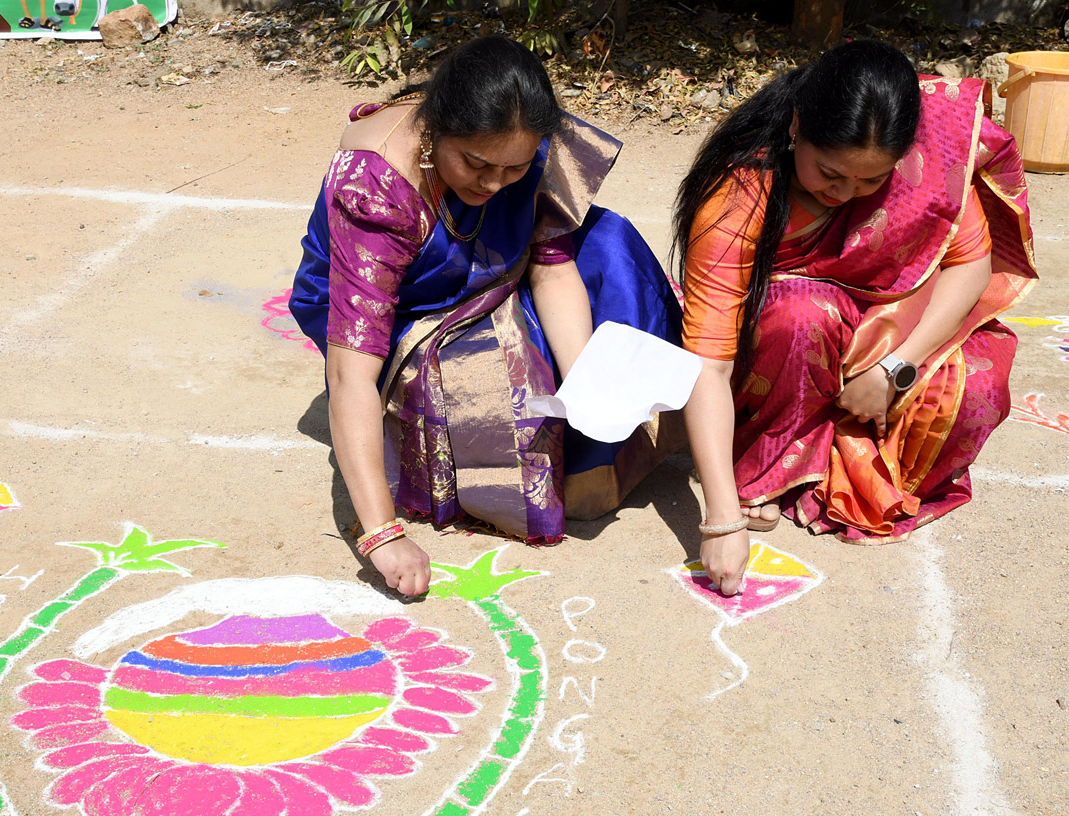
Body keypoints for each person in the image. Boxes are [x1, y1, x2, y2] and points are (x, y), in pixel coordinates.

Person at [290, 35, 682, 596]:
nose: (495, 185)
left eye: (513, 170)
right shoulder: (378, 184)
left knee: (612, 246)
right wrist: (381, 534)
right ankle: (565, 463)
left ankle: (595, 454)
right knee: (484, 387)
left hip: (493, 270)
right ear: (437, 130)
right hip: (404, 310)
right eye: (476, 165)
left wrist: (584, 386)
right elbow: (350, 374)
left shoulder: (522, 143)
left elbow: (551, 267)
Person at [675, 40, 1037, 596]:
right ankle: (776, 460)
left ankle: (834, 450)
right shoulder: (741, 191)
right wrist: (720, 519)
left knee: (976, 389)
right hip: (792, 342)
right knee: (801, 316)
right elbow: (710, 365)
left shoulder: (927, 152)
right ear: (797, 126)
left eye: (872, 182)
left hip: (892, 337)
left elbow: (970, 266)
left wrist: (895, 369)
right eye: (830, 174)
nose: (848, 195)